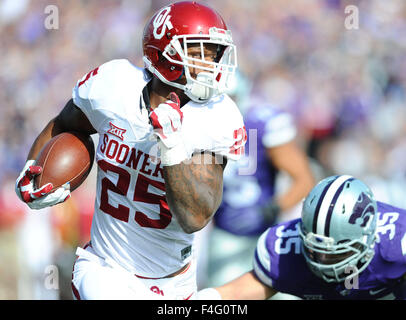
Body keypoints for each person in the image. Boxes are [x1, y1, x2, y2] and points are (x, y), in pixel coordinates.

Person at [14, 1, 246, 300]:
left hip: (174, 282)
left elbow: (195, 217)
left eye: (213, 53)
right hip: (105, 267)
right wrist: (34, 170)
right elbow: (64, 125)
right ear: (163, 52)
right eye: (197, 52)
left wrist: (172, 146)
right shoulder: (113, 86)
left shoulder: (218, 116)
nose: (210, 64)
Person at [198, 175, 406, 300]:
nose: (322, 262)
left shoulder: (398, 242)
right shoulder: (285, 248)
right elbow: (237, 293)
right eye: (316, 251)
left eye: (335, 255)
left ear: (367, 238)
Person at [204, 99, 315, 287]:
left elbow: (304, 179)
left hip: (266, 234)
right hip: (225, 235)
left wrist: (274, 207)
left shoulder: (261, 124)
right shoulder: (202, 123)